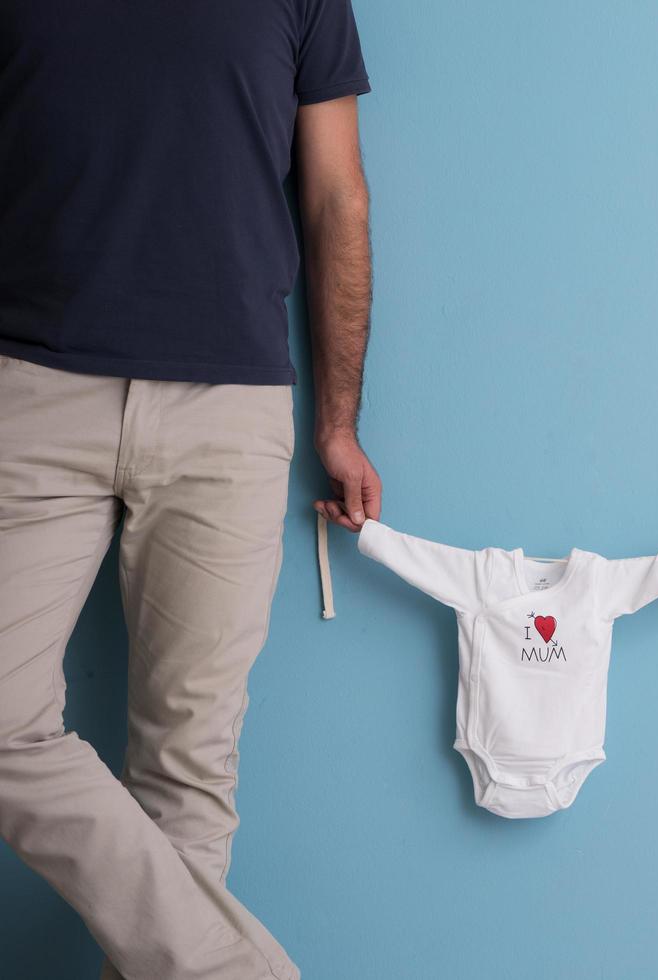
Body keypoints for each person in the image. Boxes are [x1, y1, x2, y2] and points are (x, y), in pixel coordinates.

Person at [0, 2, 382, 977]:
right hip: (30, 389)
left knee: (188, 769)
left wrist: (337, 424)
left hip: (231, 405)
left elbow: (336, 195)